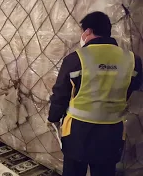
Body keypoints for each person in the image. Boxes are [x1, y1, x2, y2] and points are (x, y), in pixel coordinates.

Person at [48, 11, 142, 176]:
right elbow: (132, 86)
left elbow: (60, 95)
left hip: (78, 132)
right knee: (105, 171)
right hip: (112, 132)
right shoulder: (132, 60)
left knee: (74, 172)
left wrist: (53, 118)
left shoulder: (75, 59)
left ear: (88, 31)